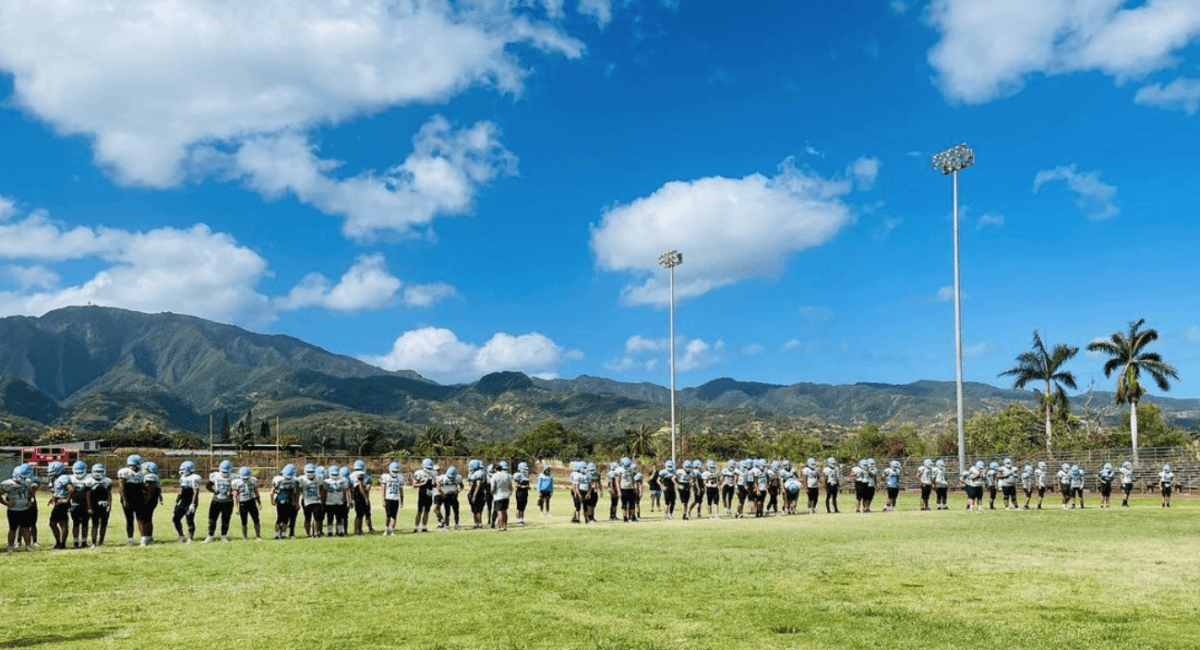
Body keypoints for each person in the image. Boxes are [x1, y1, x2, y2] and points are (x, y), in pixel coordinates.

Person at [2, 464, 38, 553]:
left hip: (25, 508)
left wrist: (32, 493)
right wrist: (6, 503)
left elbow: (33, 489)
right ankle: (10, 546)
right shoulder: (8, 483)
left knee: (26, 528)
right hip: (13, 510)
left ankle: (28, 546)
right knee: (12, 529)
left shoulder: (28, 482)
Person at [117, 454, 146, 546]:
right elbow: (122, 487)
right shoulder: (125, 472)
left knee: (140, 518)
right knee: (129, 519)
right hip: (128, 497)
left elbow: (142, 485)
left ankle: (143, 539)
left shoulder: (141, 473)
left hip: (139, 497)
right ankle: (130, 539)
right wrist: (125, 500)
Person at [205, 460, 235, 542]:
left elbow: (237, 488)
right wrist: (214, 491)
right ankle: (210, 536)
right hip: (216, 500)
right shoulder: (215, 476)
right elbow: (208, 486)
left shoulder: (233, 477)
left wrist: (231, 491)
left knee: (225, 519)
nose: (225, 473)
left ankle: (223, 536)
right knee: (212, 519)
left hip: (227, 501)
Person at [174, 460, 201, 543]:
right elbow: (181, 490)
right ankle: (181, 536)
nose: (182, 471)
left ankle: (191, 538)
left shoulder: (195, 477)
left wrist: (193, 504)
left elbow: (195, 492)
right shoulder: (182, 478)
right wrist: (177, 501)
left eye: (184, 469)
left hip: (191, 500)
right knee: (176, 518)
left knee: (189, 519)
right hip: (183, 500)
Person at [46, 461, 71, 550]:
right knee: (55, 523)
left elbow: (71, 489)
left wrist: (67, 500)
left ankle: (61, 544)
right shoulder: (57, 479)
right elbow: (58, 492)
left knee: (60, 524)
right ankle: (59, 543)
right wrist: (52, 498)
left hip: (62, 504)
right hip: (59, 502)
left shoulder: (63, 478)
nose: (49, 472)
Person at [233, 466, 262, 540]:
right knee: (244, 521)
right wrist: (237, 507)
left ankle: (258, 535)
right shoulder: (237, 482)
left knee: (256, 520)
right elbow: (235, 495)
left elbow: (256, 491)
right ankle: (244, 537)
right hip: (243, 502)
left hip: (251, 501)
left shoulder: (253, 480)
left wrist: (259, 501)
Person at [271, 464, 299, 539]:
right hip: (280, 500)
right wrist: (272, 500)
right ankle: (277, 533)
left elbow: (294, 492)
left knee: (285, 519)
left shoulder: (294, 480)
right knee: (280, 518)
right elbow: (273, 490)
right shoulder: (279, 479)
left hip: (289, 500)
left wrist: (294, 501)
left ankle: (283, 533)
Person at [68, 461, 92, 548]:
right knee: (75, 523)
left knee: (85, 523)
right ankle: (75, 540)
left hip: (86, 504)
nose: (79, 474)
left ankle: (84, 541)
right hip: (74, 503)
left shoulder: (89, 478)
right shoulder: (70, 478)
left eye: (80, 472)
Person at [139, 461, 162, 546]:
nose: (142, 470)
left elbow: (149, 490)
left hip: (149, 500)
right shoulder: (154, 477)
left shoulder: (150, 477)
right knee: (149, 519)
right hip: (153, 500)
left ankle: (145, 539)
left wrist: (145, 500)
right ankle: (149, 537)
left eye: (144, 469)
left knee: (144, 519)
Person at [298, 464, 326, 537]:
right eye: (308, 471)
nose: (310, 473)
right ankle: (308, 533)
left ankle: (316, 533)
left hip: (316, 501)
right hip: (306, 501)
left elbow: (322, 488)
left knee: (316, 518)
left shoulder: (319, 478)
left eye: (312, 471)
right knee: (307, 518)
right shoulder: (302, 479)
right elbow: (298, 490)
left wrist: (321, 496)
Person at [88, 464, 112, 546]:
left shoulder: (107, 481)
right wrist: (89, 507)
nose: (98, 473)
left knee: (104, 524)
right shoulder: (89, 481)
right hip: (94, 505)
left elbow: (109, 494)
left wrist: (109, 505)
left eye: (100, 471)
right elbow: (88, 495)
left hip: (104, 505)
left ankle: (101, 541)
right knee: (95, 524)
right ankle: (93, 542)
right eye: (97, 471)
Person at [412, 458, 436, 533]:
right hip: (422, 494)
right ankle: (416, 527)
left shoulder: (433, 473)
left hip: (429, 494)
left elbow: (435, 485)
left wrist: (433, 483)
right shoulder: (419, 473)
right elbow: (414, 485)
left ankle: (424, 527)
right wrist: (423, 483)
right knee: (419, 511)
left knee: (427, 511)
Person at [380, 462, 404, 535]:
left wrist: (402, 500)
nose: (395, 473)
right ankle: (386, 529)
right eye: (394, 471)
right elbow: (383, 488)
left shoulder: (400, 477)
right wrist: (383, 499)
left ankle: (391, 530)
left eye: (396, 471)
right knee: (388, 515)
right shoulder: (386, 477)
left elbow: (401, 490)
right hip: (388, 498)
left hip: (396, 499)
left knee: (394, 516)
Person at [349, 460, 371, 535]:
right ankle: (359, 530)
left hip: (355, 495)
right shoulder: (365, 475)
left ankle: (356, 529)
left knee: (358, 514)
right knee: (361, 514)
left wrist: (351, 498)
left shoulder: (351, 475)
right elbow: (367, 488)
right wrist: (365, 497)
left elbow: (350, 488)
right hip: (361, 495)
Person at [490, 460, 513, 531]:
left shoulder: (494, 476)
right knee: (505, 511)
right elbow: (510, 487)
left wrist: (492, 492)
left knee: (499, 511)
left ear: (495, 469)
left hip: (498, 496)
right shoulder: (507, 475)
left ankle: (500, 526)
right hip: (506, 495)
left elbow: (493, 487)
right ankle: (505, 525)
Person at [438, 465, 462, 531]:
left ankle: (456, 525)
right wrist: (442, 494)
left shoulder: (457, 478)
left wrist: (457, 491)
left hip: (454, 496)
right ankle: (447, 526)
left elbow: (461, 486)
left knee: (456, 512)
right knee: (447, 512)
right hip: (446, 496)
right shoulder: (443, 477)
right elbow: (438, 487)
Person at [468, 459, 488, 529]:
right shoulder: (475, 473)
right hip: (475, 492)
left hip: (479, 493)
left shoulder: (479, 473)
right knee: (474, 509)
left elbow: (478, 484)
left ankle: (479, 523)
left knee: (478, 509)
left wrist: (474, 495)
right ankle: (476, 523)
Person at [618, 457, 639, 522]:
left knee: (632, 504)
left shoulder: (632, 469)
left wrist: (635, 487)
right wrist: (619, 491)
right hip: (623, 488)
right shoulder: (620, 470)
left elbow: (633, 479)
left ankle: (632, 517)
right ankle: (625, 518)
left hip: (631, 488)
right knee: (624, 504)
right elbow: (617, 481)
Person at [513, 462, 531, 526]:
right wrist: (523, 486)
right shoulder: (517, 475)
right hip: (519, 492)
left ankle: (522, 519)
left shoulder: (526, 476)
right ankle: (518, 519)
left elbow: (528, 485)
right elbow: (515, 485)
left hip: (525, 492)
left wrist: (527, 487)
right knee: (519, 507)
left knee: (523, 507)